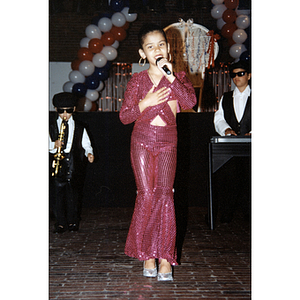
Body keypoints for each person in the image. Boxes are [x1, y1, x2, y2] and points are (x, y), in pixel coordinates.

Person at [119, 23, 197, 281]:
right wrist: (146, 102)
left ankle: (165, 257)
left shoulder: (179, 78)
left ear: (168, 48)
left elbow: (189, 103)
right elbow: (125, 116)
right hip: (141, 141)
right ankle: (147, 256)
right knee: (146, 195)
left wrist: (171, 76)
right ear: (143, 53)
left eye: (161, 45)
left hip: (167, 142)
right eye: (150, 47)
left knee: (165, 195)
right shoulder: (137, 80)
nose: (157, 50)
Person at [49, 92, 94, 233]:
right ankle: (60, 223)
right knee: (58, 195)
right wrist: (53, 144)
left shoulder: (80, 126)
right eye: (61, 111)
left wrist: (89, 153)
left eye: (68, 111)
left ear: (74, 109)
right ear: (56, 110)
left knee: (73, 195)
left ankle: (73, 222)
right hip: (57, 164)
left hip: (73, 164)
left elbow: (86, 143)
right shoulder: (50, 127)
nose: (65, 115)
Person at [213, 60, 251, 223]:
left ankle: (251, 216)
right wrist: (226, 130)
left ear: (249, 76)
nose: (237, 78)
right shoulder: (226, 97)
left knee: (251, 180)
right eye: (234, 75)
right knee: (230, 180)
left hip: (253, 147)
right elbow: (219, 118)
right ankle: (226, 215)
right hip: (232, 147)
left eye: (241, 74)